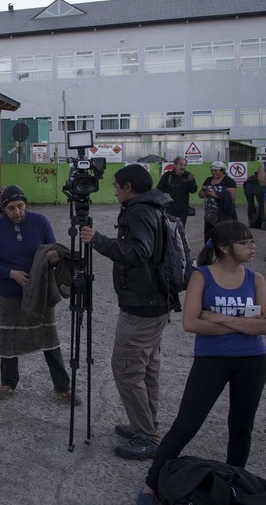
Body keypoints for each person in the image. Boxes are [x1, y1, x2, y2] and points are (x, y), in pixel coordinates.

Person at [138, 221, 266, 504]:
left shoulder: (255, 279)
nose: (252, 246)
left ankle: (235, 484)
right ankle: (150, 485)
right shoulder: (202, 276)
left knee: (241, 426)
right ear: (224, 248)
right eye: (245, 242)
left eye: (252, 242)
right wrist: (242, 324)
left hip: (252, 362)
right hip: (212, 361)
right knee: (186, 424)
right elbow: (191, 323)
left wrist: (216, 317)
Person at [79, 164, 173, 460]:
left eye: (118, 186)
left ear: (129, 187)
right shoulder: (152, 207)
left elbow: (138, 253)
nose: (115, 191)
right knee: (145, 368)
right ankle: (144, 425)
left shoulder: (140, 211)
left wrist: (98, 241)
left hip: (142, 304)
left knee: (127, 368)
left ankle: (146, 435)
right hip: (152, 301)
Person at [0, 186, 78, 405]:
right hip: (8, 293)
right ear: (3, 208)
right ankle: (8, 382)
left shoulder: (40, 222)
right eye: (11, 208)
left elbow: (53, 249)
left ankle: (63, 387)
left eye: (20, 206)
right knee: (8, 337)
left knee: (49, 336)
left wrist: (54, 258)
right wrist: (10, 273)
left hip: (40, 289)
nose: (17, 212)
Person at [199, 160, 237, 243]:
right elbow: (200, 195)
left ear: (222, 171)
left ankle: (222, 254)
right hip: (209, 213)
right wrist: (204, 192)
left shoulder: (229, 181)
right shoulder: (209, 180)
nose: (213, 172)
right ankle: (208, 253)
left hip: (222, 213)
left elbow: (232, 196)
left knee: (222, 234)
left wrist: (215, 194)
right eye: (212, 170)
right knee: (208, 235)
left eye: (216, 170)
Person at [156, 156, 198, 226]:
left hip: (182, 210)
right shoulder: (167, 175)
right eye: (181, 164)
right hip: (168, 209)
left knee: (180, 230)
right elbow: (159, 189)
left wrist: (191, 181)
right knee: (168, 229)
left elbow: (193, 190)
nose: (183, 167)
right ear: (175, 165)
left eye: (184, 165)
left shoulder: (188, 175)